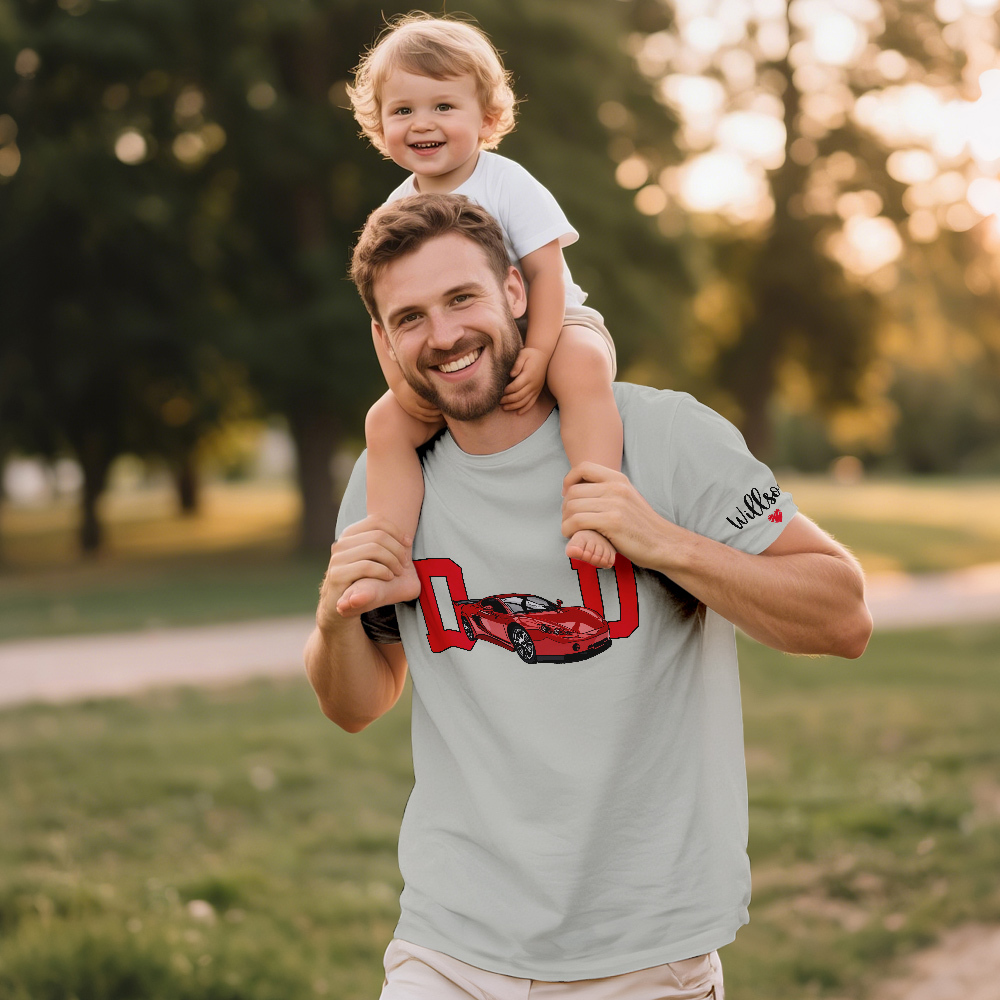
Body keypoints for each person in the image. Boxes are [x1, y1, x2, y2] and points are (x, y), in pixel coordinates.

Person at [304, 193, 873, 999]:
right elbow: (356, 704)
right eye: (409, 317)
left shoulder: (664, 437)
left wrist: (662, 542)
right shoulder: (387, 484)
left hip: (642, 952)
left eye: (461, 298)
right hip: (450, 944)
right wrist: (335, 619)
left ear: (514, 292)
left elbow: (843, 614)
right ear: (381, 339)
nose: (443, 336)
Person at [341, 12, 622, 616]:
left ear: (487, 118)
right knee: (385, 424)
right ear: (379, 124)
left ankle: (599, 509)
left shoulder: (508, 183)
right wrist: (401, 383)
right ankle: (390, 559)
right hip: (459, 354)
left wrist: (539, 350)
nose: (422, 124)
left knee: (581, 369)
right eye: (403, 110)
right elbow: (382, 311)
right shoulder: (395, 210)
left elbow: (544, 275)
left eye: (444, 106)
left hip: (552, 323)